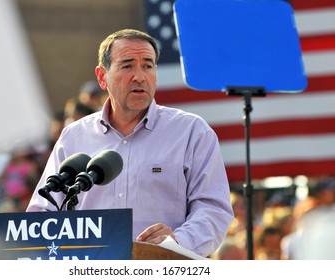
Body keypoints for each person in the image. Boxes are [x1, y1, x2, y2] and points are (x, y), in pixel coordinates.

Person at [26, 29, 234, 257]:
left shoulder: (192, 132)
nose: (140, 76)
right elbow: (43, 209)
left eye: (147, 65)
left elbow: (213, 210)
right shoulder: (74, 137)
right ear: (102, 77)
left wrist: (176, 242)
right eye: (127, 66)